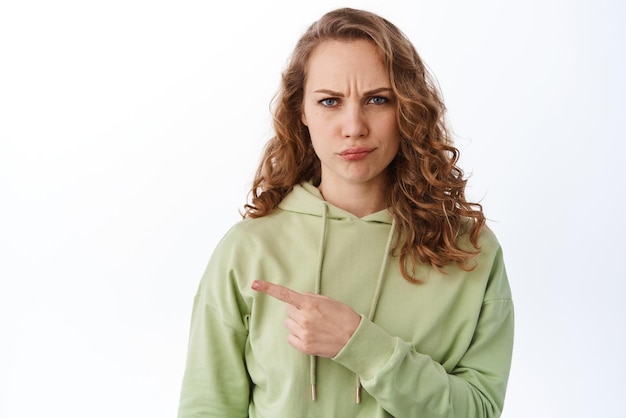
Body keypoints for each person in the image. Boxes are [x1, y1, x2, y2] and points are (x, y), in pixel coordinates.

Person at [177, 7, 514, 418]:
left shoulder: (469, 250)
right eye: (330, 101)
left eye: (377, 99)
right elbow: (207, 408)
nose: (354, 126)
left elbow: (479, 412)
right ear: (302, 112)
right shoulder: (248, 249)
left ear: (406, 109)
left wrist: (362, 345)